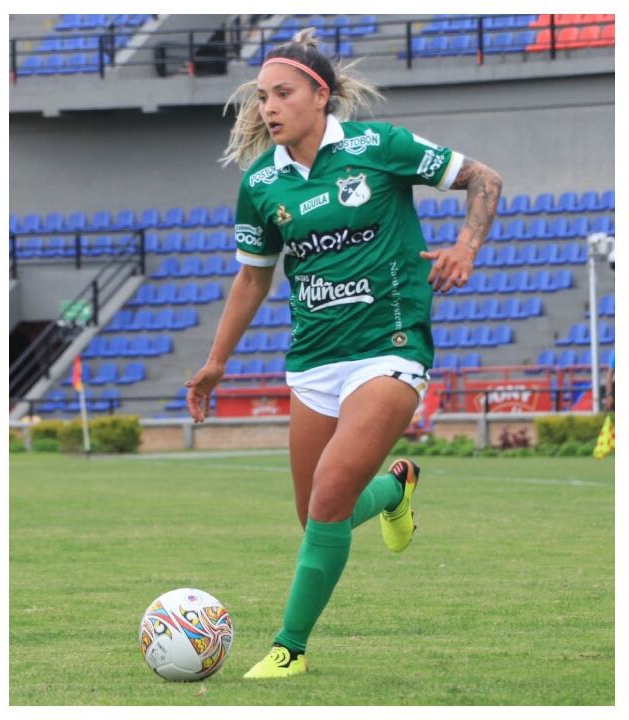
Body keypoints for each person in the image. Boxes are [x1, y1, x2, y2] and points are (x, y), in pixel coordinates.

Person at [185, 29, 501, 678]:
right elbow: (252, 278)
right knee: (315, 519)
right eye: (261, 98)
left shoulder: (379, 147)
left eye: (281, 94)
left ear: (320, 96)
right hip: (313, 361)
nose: (267, 108)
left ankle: (288, 649)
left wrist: (465, 247)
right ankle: (395, 489)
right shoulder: (261, 182)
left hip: (389, 347)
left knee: (329, 498)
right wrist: (216, 363)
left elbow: (483, 179)